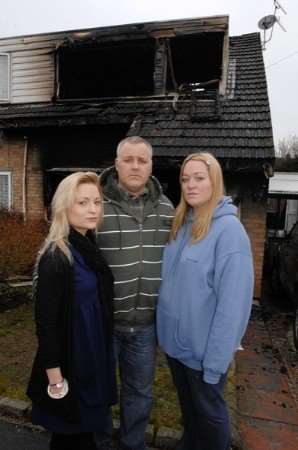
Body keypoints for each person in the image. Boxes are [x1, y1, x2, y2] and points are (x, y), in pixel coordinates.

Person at [156, 152, 254, 450]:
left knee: (210, 420)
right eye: (186, 179)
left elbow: (233, 307)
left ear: (215, 182)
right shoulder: (182, 223)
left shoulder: (230, 233)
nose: (190, 185)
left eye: (199, 178)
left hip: (203, 355)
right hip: (177, 349)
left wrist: (215, 362)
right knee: (191, 417)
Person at [27, 172, 117, 450]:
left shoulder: (88, 246)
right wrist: (56, 381)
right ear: (65, 207)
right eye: (82, 203)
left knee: (83, 435)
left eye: (97, 202)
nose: (93, 209)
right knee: (70, 436)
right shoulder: (58, 256)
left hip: (91, 357)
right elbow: (47, 324)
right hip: (70, 363)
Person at [96, 136, 174, 450]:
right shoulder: (95, 204)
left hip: (145, 326)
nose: (135, 166)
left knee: (139, 393)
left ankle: (132, 444)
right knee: (99, 389)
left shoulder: (168, 210)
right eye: (128, 159)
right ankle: (97, 442)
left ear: (151, 166)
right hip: (104, 323)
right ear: (116, 163)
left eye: (142, 160)